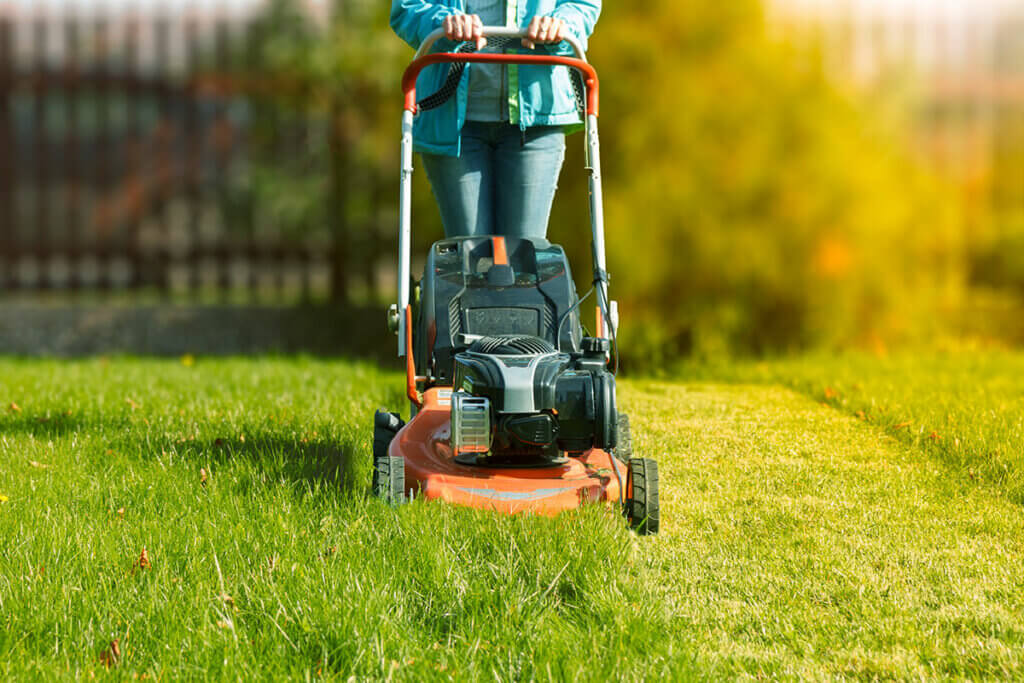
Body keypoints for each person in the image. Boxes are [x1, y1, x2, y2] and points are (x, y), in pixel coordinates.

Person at [390, 0, 601, 239]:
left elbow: (582, 6)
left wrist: (561, 24)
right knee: (470, 256)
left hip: (536, 120)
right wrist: (442, 22)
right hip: (452, 121)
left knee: (524, 254)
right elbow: (407, 7)